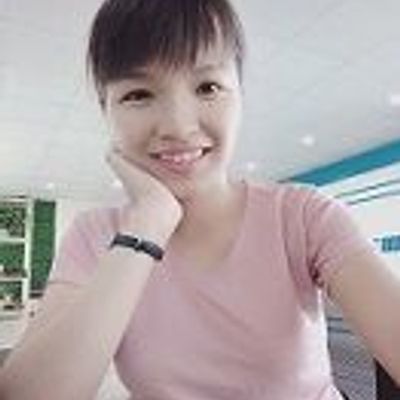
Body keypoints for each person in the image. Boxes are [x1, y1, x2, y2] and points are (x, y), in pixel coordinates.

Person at [1, 0, 399, 398]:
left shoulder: (302, 216)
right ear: (106, 110)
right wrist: (148, 223)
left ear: (239, 95)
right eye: (138, 94)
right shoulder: (94, 235)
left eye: (207, 87)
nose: (178, 125)